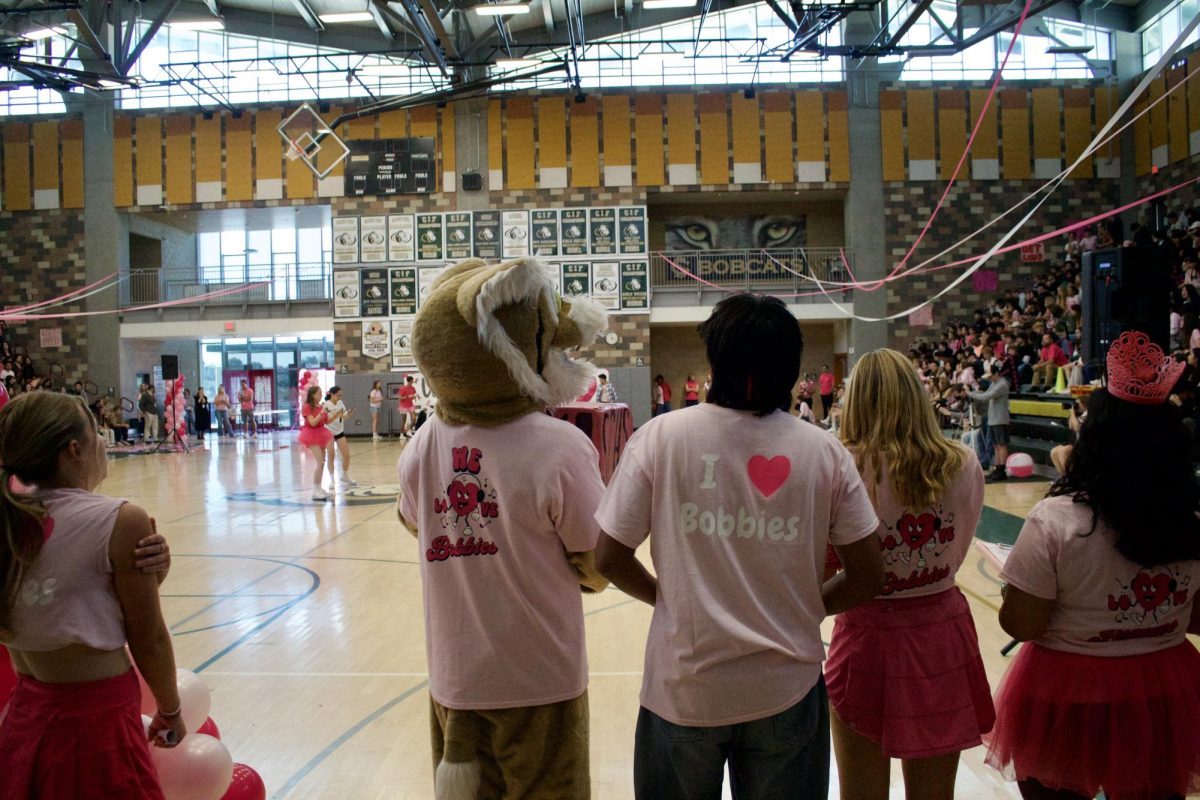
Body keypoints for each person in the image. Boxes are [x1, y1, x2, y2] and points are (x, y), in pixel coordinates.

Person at [595, 294, 885, 800]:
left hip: (683, 687)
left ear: (714, 361)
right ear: (792, 371)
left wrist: (665, 598)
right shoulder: (824, 451)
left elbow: (608, 556)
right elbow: (869, 574)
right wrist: (808, 609)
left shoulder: (660, 438)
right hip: (786, 689)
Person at [987, 332, 1200, 799]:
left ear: (1094, 439)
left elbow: (1021, 622)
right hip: (1164, 689)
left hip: (1068, 691)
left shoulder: (1057, 519)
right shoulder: (1189, 521)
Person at [0, 391, 185, 798]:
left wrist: (153, 576)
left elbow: (61, 598)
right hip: (95, 725)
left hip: (23, 716)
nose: (103, 441)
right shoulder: (118, 518)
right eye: (96, 433)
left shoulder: (12, 515)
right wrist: (169, 709)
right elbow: (147, 634)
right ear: (74, 449)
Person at [827, 349, 992, 800]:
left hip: (867, 635)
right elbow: (957, 553)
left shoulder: (843, 464)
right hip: (942, 633)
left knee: (860, 794)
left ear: (856, 400)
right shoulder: (962, 462)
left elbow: (827, 565)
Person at [969, 362, 1011, 482]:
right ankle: (997, 467)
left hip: (1000, 418)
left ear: (997, 373)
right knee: (996, 445)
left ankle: (1002, 469)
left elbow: (987, 396)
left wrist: (970, 393)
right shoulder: (994, 383)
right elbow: (986, 394)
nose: (989, 379)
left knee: (1001, 444)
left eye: (991, 376)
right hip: (993, 418)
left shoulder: (1002, 385)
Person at [298, 385, 334, 502]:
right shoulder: (307, 407)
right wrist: (321, 413)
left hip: (322, 433)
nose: (321, 395)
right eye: (319, 393)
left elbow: (326, 421)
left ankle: (319, 488)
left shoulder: (321, 406)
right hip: (311, 435)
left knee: (322, 462)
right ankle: (315, 490)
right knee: (319, 462)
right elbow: (312, 423)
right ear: (313, 395)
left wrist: (337, 414)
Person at [323, 386, 356, 487]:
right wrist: (337, 414)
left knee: (346, 455)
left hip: (339, 431)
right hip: (329, 432)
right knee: (331, 455)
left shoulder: (340, 403)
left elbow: (343, 416)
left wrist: (348, 414)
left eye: (341, 395)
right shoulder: (326, 405)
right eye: (338, 395)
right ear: (332, 394)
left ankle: (344, 475)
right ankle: (332, 479)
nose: (339, 397)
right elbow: (327, 420)